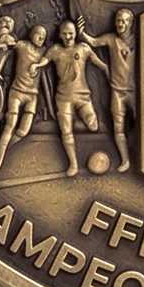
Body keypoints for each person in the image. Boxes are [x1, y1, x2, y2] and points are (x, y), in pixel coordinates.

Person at [45, 21, 103, 178]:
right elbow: (43, 61)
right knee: (66, 130)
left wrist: (109, 72)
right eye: (64, 34)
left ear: (75, 33)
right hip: (63, 98)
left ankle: (73, 121)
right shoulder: (55, 50)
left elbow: (99, 63)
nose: (68, 37)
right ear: (59, 35)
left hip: (83, 97)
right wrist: (35, 66)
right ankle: (73, 164)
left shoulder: (83, 48)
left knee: (93, 126)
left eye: (70, 33)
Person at [0, 22, 50, 172]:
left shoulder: (44, 51)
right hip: (17, 92)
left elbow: (50, 58)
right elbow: (7, 44)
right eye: (38, 34)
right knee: (10, 124)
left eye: (44, 36)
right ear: (31, 35)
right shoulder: (22, 45)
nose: (41, 38)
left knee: (23, 131)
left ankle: (6, 148)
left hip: (32, 96)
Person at [84, 9, 137, 172]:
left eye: (124, 21)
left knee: (142, 124)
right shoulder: (110, 39)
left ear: (130, 23)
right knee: (118, 128)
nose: (121, 24)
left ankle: (143, 159)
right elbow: (94, 42)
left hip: (136, 93)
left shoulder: (139, 39)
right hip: (117, 92)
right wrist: (81, 32)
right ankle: (125, 161)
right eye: (118, 20)